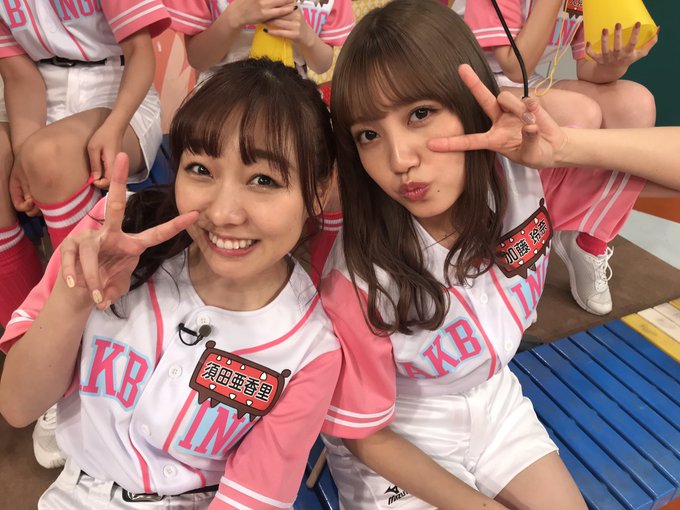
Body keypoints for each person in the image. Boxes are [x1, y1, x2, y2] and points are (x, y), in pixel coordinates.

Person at [317, 1, 679, 509]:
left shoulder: (522, 179)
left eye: (420, 114)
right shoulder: (357, 274)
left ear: (468, 104)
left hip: (495, 403)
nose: (399, 159)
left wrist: (562, 148)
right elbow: (368, 436)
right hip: (397, 436)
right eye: (369, 135)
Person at [0, 58, 340, 510]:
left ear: (318, 191)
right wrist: (75, 296)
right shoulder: (116, 235)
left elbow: (250, 499)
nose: (223, 212)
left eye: (263, 180)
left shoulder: (311, 350)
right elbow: (18, 406)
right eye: (201, 169)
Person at [0, 0, 171, 470]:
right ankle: (32, 340)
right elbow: (20, 78)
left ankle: (84, 356)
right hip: (40, 99)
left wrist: (116, 124)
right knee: (30, 160)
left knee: (50, 158)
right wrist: (22, 160)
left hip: (118, 92)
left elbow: (140, 54)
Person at [462, 0, 658, 315]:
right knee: (581, 113)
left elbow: (589, 69)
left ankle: (586, 237)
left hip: (528, 84)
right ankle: (528, 243)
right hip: (474, 86)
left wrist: (616, 61)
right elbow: (513, 65)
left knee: (636, 105)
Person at [163, 0, 354, 79]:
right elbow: (198, 58)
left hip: (292, 100)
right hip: (221, 98)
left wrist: (307, 37)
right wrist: (235, 17)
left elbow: (322, 65)